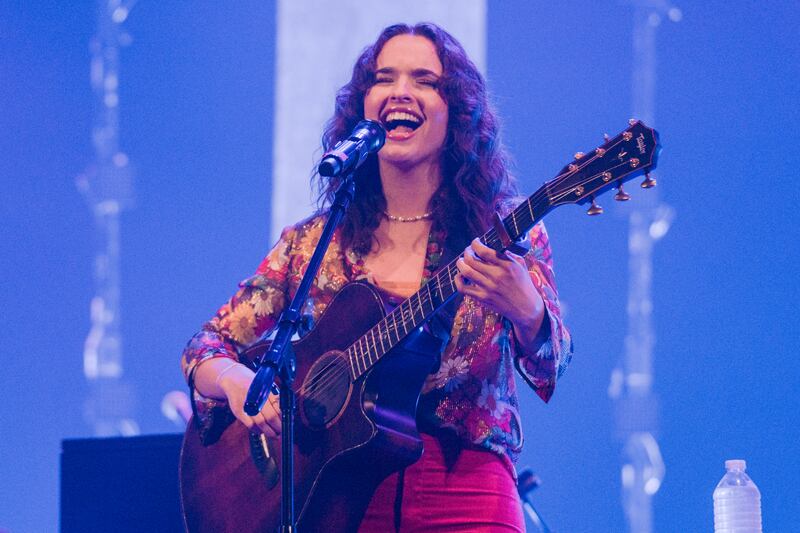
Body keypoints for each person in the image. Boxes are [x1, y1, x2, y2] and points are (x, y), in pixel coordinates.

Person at [181, 22, 572, 532]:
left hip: (467, 492)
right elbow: (205, 346)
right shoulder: (313, 243)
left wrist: (527, 311)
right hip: (343, 499)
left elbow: (550, 365)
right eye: (384, 78)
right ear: (363, 106)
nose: (401, 91)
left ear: (457, 111)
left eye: (425, 80)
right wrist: (236, 381)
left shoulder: (502, 231)